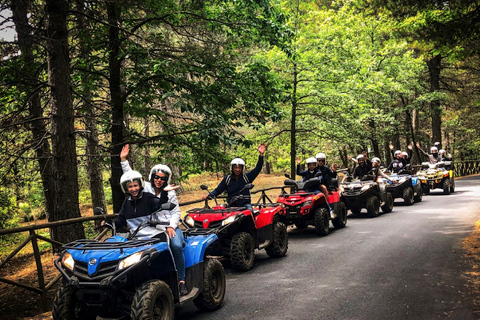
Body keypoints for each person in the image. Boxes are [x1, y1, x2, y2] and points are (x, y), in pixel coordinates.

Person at [119, 145, 188, 296]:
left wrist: (171, 226)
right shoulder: (146, 188)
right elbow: (131, 177)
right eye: (156, 177)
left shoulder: (170, 193)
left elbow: (176, 212)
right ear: (151, 177)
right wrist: (123, 159)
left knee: (176, 246)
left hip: (170, 227)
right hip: (152, 228)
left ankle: (181, 280)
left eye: (162, 178)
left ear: (166, 179)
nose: (159, 180)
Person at [204, 143, 266, 211]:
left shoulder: (247, 177)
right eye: (235, 167)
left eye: (239, 167)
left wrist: (261, 155)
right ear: (232, 168)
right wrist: (210, 195)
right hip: (231, 206)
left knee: (250, 213)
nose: (237, 169)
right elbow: (218, 190)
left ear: (242, 168)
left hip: (245, 205)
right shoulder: (227, 179)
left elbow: (258, 168)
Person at [315, 152, 338, 217]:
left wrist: (334, 171)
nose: (320, 162)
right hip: (314, 185)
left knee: (323, 188)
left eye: (322, 161)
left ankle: (326, 205)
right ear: (317, 161)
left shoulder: (326, 168)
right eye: (319, 160)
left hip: (323, 185)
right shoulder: (314, 168)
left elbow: (333, 176)